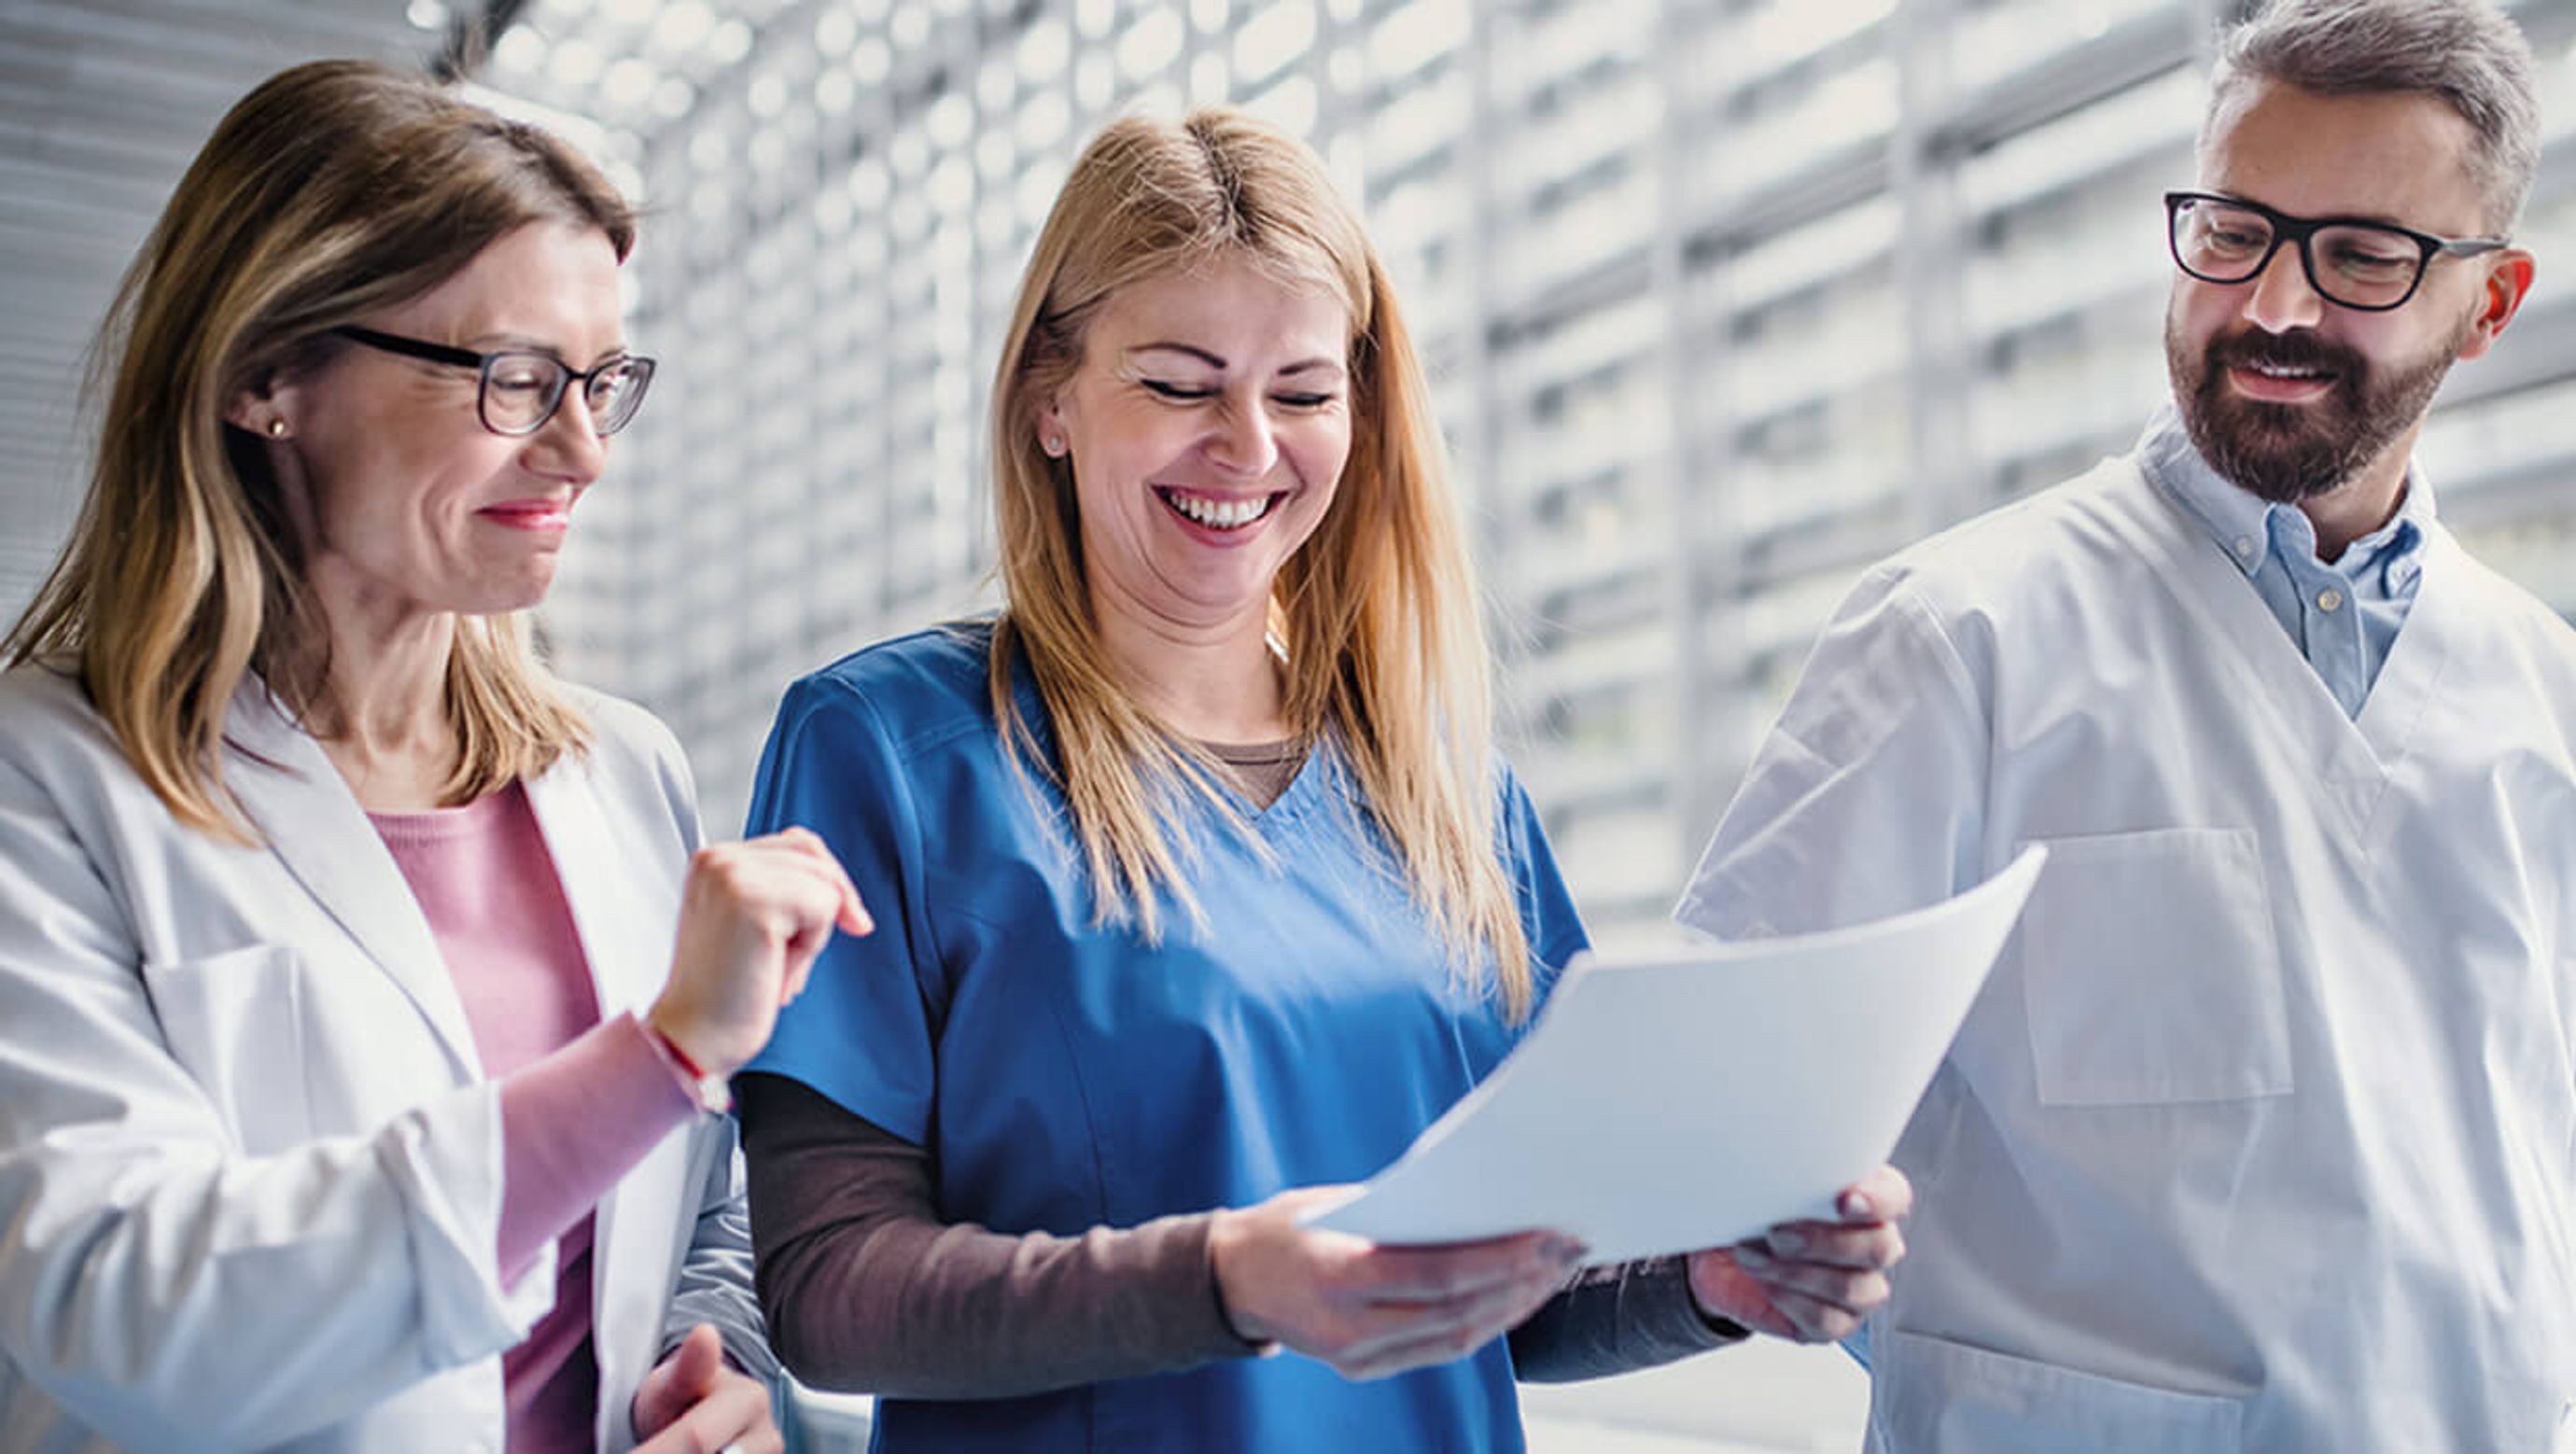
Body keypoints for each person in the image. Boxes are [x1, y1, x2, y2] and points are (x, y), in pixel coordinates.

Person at [733, 107, 1910, 1452]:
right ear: (1048, 401)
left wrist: (1707, 1284)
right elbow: (829, 1289)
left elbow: (1509, 1280)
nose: (1247, 446)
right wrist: (1226, 1279)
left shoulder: (1447, 790)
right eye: (1180, 384)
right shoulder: (888, 751)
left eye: (1301, 392)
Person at [1676, 1, 2575, 1448]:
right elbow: (1708, 1141)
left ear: (2491, 302)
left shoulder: (2545, 694)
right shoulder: (1954, 638)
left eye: (2359, 255)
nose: (2275, 305)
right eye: (2235, 232)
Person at [0, 60, 868, 1453]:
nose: (583, 451)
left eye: (599, 381)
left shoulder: (620, 770)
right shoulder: (48, 785)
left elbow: (703, 1197)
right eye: (517, 381)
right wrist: (651, 1056)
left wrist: (726, 1369)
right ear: (268, 376)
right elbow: (124, 1310)